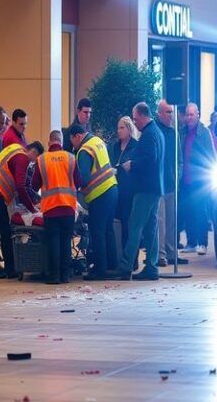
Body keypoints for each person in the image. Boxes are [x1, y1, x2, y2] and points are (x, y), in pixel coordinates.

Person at [0, 141, 41, 278]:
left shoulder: (16, 148)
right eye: (36, 160)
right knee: (4, 229)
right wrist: (32, 209)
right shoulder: (23, 158)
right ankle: (10, 268)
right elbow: (21, 186)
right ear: (35, 153)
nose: (33, 164)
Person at [118, 102, 164, 281]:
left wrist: (132, 164)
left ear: (144, 116)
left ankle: (126, 266)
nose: (134, 123)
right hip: (154, 188)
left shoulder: (149, 134)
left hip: (145, 189)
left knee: (135, 226)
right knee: (151, 228)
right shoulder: (156, 132)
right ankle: (151, 268)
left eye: (135, 119)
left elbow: (150, 158)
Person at [69, 124, 118, 280]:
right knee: (108, 230)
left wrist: (71, 185)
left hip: (99, 194)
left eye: (72, 141)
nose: (73, 145)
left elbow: (82, 178)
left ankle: (99, 270)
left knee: (97, 232)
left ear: (76, 136)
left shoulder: (84, 151)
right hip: (112, 188)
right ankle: (112, 266)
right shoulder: (97, 141)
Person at [35, 130, 81, 284]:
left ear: (49, 142)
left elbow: (34, 184)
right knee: (66, 240)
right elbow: (79, 181)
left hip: (50, 208)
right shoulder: (70, 158)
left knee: (53, 240)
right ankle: (66, 275)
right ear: (61, 142)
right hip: (68, 207)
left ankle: (54, 276)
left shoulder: (41, 159)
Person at [179, 102, 215, 256]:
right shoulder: (182, 132)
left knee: (201, 212)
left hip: (199, 179)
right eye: (187, 114)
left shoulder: (204, 132)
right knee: (187, 211)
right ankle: (191, 242)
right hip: (184, 178)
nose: (189, 118)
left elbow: (211, 156)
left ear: (198, 115)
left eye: (192, 114)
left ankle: (202, 243)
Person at [155, 100, 186, 268]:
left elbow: (179, 160)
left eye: (171, 112)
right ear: (159, 113)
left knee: (171, 221)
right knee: (160, 221)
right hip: (158, 185)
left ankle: (172, 252)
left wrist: (177, 177)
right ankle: (161, 255)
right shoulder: (155, 131)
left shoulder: (174, 134)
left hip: (171, 183)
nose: (170, 115)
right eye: (167, 112)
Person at [107, 116, 138, 252]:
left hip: (129, 190)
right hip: (114, 189)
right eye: (118, 128)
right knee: (114, 223)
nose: (118, 131)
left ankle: (131, 258)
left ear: (129, 129)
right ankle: (117, 257)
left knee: (128, 225)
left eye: (122, 128)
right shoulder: (113, 146)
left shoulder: (136, 146)